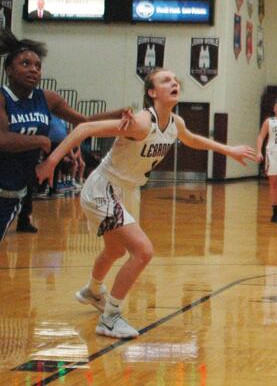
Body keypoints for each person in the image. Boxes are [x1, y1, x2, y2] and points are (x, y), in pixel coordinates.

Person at [35, 68, 257, 339]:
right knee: (143, 251)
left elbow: (193, 140)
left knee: (115, 250)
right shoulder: (141, 122)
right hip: (103, 188)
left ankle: (92, 290)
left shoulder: (176, 123)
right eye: (166, 80)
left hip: (126, 190)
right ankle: (110, 318)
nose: (174, 82)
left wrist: (229, 150)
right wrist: (52, 161)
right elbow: (85, 128)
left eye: (176, 80)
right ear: (152, 92)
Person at [0, 31, 130, 242]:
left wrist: (117, 113)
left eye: (38, 66)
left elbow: (84, 122)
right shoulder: (3, 97)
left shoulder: (47, 98)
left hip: (14, 189)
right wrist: (41, 141)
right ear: (9, 70)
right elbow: (2, 140)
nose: (34, 69)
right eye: (25, 64)